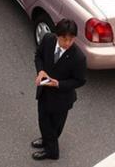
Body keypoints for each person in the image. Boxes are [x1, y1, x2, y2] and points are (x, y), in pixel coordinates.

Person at [31, 18, 87, 160]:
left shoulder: (78, 58)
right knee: (43, 120)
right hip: (44, 92)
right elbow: (38, 56)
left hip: (62, 99)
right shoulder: (48, 39)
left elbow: (80, 81)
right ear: (57, 35)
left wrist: (59, 84)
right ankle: (46, 140)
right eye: (64, 39)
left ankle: (52, 152)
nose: (67, 43)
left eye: (71, 39)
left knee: (55, 126)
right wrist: (41, 71)